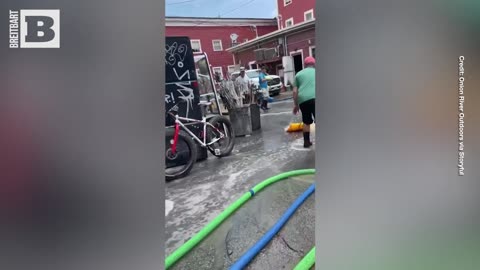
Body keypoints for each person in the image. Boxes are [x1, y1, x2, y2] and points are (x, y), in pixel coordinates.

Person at [292, 56, 316, 148]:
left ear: (305, 65)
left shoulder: (298, 74)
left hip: (303, 100)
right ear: (314, 64)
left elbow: (294, 92)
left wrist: (296, 105)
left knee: (306, 122)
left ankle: (306, 142)